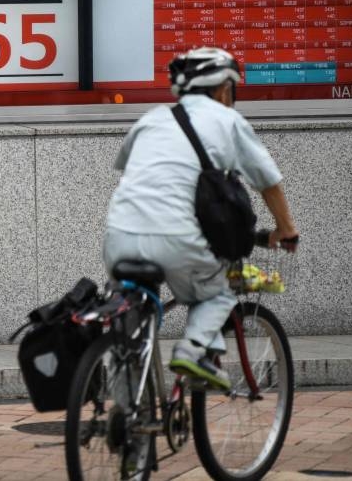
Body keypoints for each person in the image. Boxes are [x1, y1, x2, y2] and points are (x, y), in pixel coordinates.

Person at [103, 47, 298, 390]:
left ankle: (127, 418)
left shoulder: (151, 119)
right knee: (217, 294)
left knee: (128, 328)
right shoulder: (228, 121)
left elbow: (135, 171)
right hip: (175, 240)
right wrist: (286, 229)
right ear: (224, 89)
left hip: (119, 237)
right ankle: (193, 351)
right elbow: (267, 181)